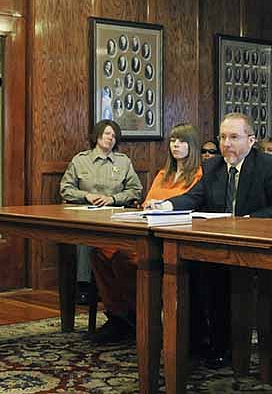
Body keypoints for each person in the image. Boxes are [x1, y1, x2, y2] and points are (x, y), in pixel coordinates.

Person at [156, 112, 272, 364]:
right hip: (217, 246)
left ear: (251, 140)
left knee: (221, 277)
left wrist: (246, 220)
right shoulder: (213, 166)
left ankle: (224, 346)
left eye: (234, 137)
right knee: (185, 267)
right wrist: (166, 206)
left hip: (255, 249)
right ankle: (196, 343)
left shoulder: (269, 166)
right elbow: (194, 197)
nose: (226, 144)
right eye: (222, 137)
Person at [86, 124, 203, 344]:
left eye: (182, 141)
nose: (176, 145)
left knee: (123, 259)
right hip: (146, 229)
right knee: (100, 253)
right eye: (173, 140)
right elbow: (148, 200)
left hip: (170, 237)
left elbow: (192, 206)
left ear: (192, 145)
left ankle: (136, 314)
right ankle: (118, 314)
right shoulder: (163, 173)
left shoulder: (198, 175)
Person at [59, 120, 142, 308]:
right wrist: (86, 195)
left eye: (114, 136)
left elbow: (136, 190)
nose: (111, 138)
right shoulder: (81, 160)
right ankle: (84, 287)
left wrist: (113, 199)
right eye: (107, 134)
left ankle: (116, 289)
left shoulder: (123, 161)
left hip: (115, 216)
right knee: (84, 236)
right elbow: (65, 189)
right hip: (85, 214)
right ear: (97, 136)